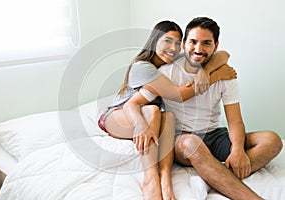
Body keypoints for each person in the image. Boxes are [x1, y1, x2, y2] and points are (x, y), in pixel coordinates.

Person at [98, 20, 236, 200]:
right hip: (119, 114)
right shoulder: (143, 67)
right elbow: (178, 95)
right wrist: (215, 75)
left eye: (178, 43)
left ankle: (165, 179)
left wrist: (205, 71)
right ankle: (150, 179)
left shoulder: (172, 61)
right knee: (153, 111)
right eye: (167, 41)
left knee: (168, 116)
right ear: (155, 41)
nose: (173, 48)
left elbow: (224, 54)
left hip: (147, 112)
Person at [154, 17, 283, 200]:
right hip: (183, 139)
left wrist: (237, 149)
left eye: (206, 43)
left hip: (215, 136)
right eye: (193, 42)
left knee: (272, 140)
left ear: (216, 45)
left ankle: (210, 177)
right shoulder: (165, 73)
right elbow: (139, 100)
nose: (198, 49)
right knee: (191, 143)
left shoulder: (225, 75)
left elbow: (235, 121)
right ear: (184, 43)